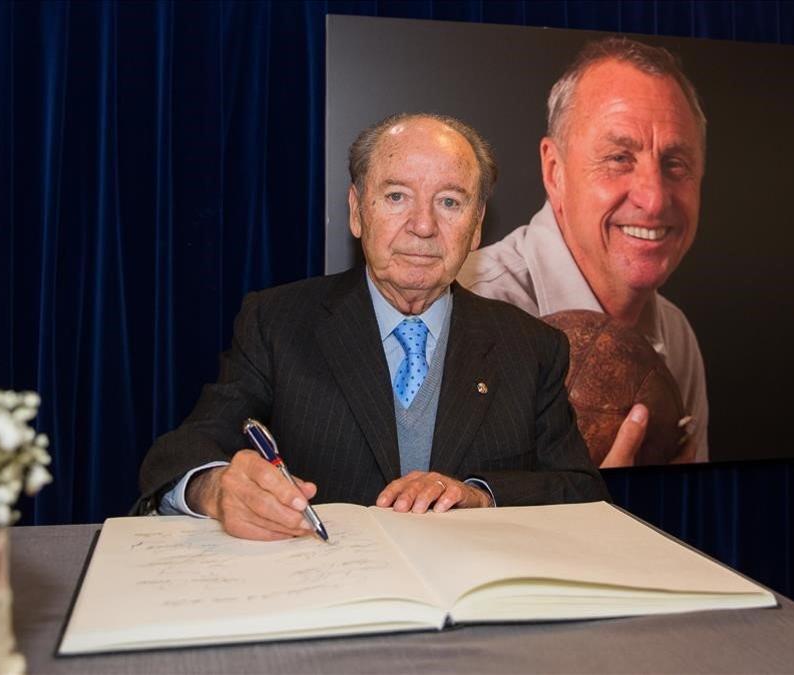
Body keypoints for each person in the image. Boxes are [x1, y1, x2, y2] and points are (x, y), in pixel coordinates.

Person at [137, 113, 608, 540]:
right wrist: (216, 489)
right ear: (357, 211)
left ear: (477, 225)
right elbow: (184, 449)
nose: (423, 226)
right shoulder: (277, 323)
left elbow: (580, 489)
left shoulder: (531, 347)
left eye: (449, 201)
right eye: (397, 196)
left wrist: (480, 495)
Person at [459, 37, 710, 465]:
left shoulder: (677, 337)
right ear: (555, 172)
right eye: (618, 157)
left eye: (676, 164)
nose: (653, 199)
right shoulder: (465, 309)